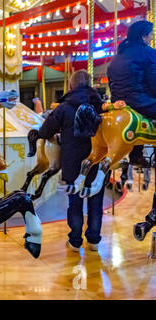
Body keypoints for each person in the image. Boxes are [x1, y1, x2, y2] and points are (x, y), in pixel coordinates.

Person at [38, 70, 106, 252]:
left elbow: (45, 131)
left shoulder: (64, 108)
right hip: (96, 161)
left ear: (70, 86)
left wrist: (61, 135)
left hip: (73, 163)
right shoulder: (101, 107)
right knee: (95, 202)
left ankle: (75, 241)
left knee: (75, 203)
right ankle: (93, 240)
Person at [107, 20, 156, 168]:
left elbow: (111, 84)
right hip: (140, 102)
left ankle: (136, 155)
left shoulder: (117, 56)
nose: (153, 37)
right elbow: (153, 82)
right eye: (151, 34)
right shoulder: (149, 53)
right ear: (143, 37)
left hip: (119, 103)